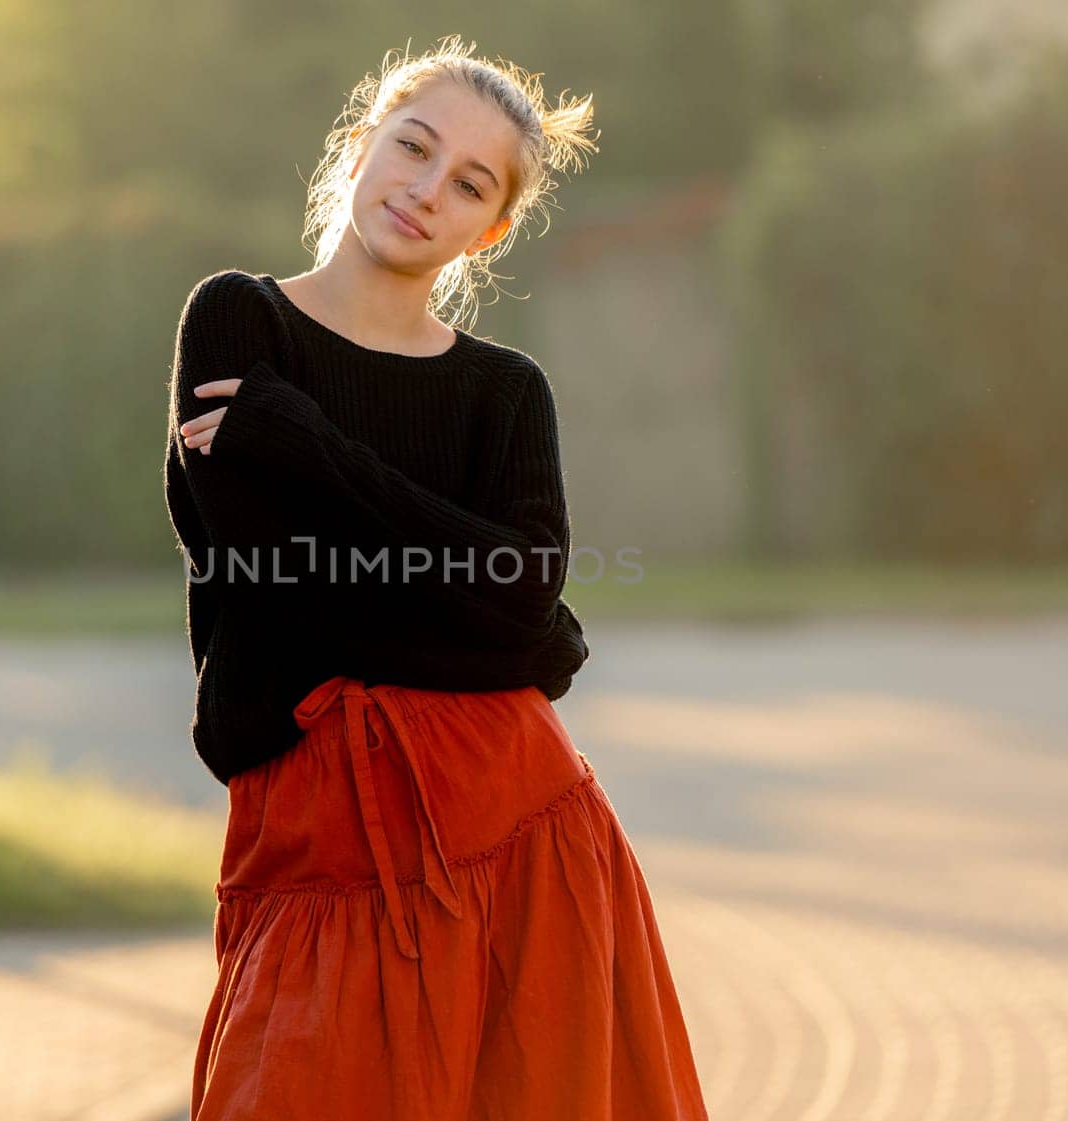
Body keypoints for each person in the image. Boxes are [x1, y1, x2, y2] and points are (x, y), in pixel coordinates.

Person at [162, 35, 710, 1121]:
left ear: (491, 227)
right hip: (316, 826)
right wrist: (502, 620)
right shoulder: (238, 320)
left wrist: (310, 448)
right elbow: (276, 583)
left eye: (469, 183)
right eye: (413, 148)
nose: (426, 190)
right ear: (363, 143)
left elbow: (510, 596)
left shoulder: (505, 391)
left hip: (521, 831)